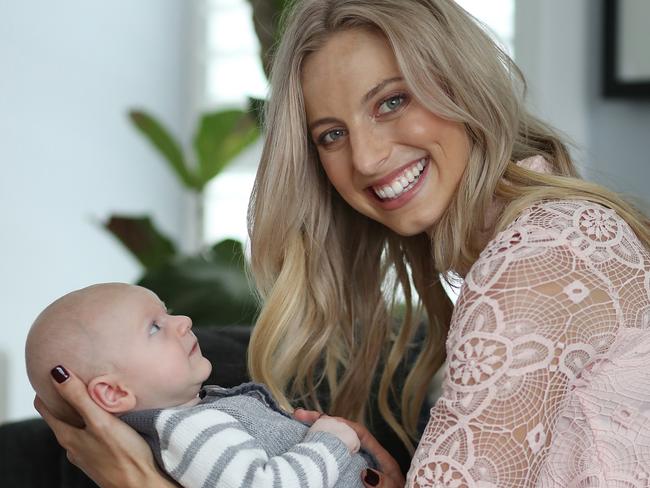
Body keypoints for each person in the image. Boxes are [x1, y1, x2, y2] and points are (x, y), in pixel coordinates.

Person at [36, 0, 650, 486]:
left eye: (391, 101)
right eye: (330, 134)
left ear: (463, 86)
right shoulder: (529, 245)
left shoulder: (543, 257)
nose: (366, 156)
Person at [26, 283, 374, 487]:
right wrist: (329, 442)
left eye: (168, 312)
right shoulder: (190, 431)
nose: (183, 321)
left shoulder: (198, 416)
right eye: (154, 327)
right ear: (114, 392)